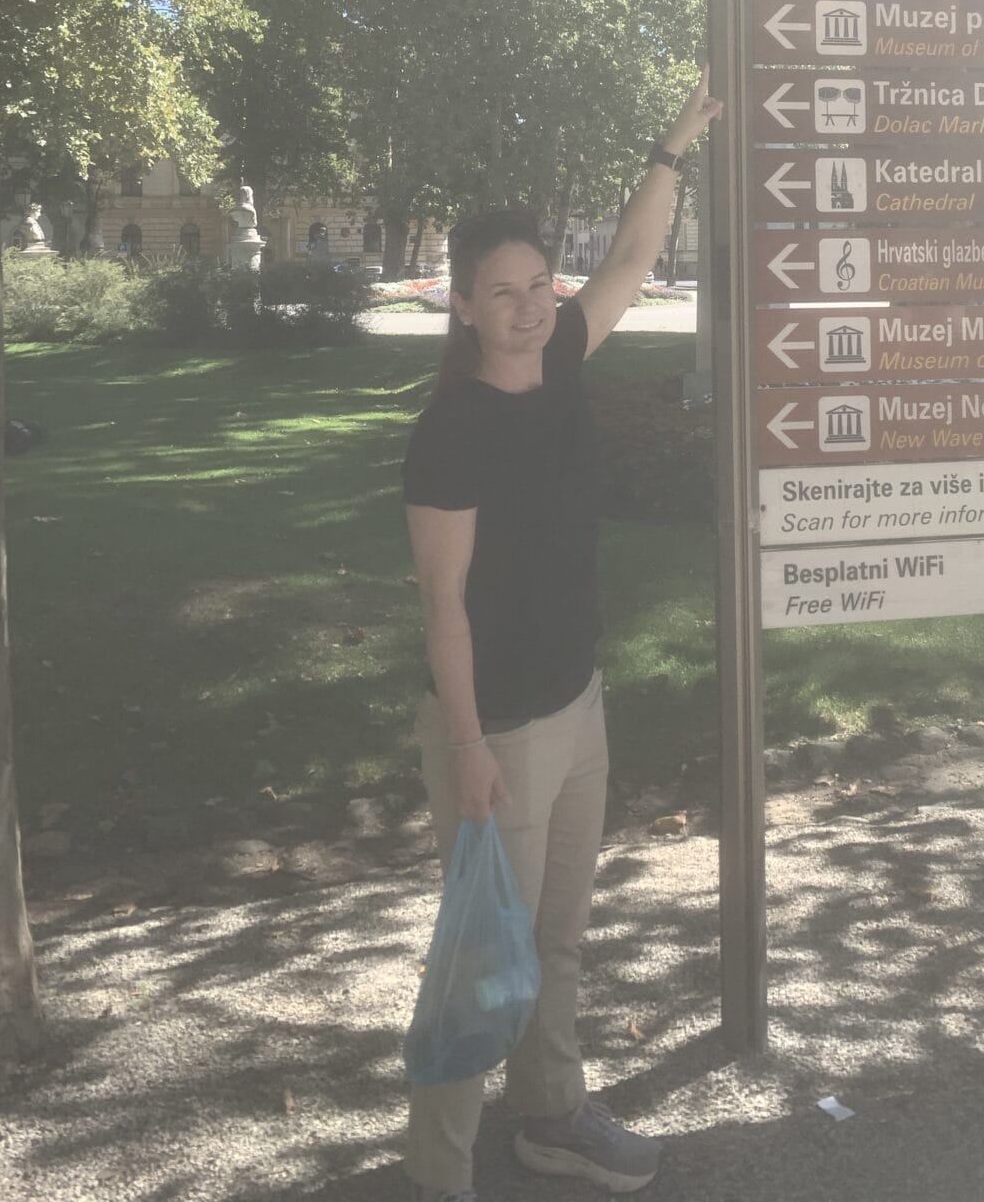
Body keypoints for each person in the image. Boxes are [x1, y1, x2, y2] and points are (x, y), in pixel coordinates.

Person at [401, 72, 722, 1202]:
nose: (530, 306)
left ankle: (551, 1119)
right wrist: (468, 747)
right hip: (499, 728)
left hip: (576, 702)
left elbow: (631, 254)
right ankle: (440, 1176)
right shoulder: (452, 429)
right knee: (482, 957)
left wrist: (674, 143)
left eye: (539, 284)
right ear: (463, 307)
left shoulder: (567, 355)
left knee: (559, 941)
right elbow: (442, 604)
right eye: (503, 292)